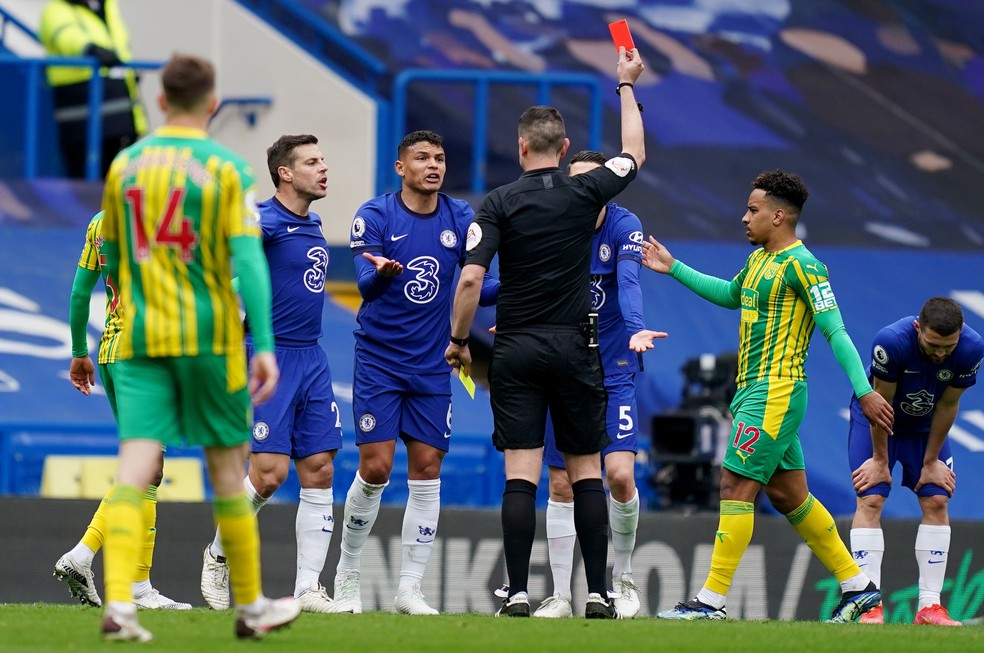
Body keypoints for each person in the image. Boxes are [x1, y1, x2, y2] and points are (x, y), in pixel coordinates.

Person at [97, 53, 299, 642]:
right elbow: (247, 260)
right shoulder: (228, 168)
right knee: (227, 468)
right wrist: (261, 342)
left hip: (137, 336)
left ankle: (119, 605)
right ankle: (252, 606)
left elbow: (111, 256)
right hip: (207, 337)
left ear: (160, 101)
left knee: (135, 465)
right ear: (212, 104)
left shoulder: (124, 166)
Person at [445, 46, 651, 619]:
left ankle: (515, 593)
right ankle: (598, 593)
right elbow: (634, 151)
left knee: (523, 474)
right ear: (563, 151)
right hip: (574, 347)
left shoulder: (498, 203)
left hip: (513, 348)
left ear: (520, 148)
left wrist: (461, 342)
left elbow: (470, 281)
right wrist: (625, 85)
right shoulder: (585, 192)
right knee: (586, 470)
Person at [641, 169, 895, 623]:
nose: (744, 218)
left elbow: (834, 330)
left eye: (753, 210)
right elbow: (731, 294)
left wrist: (865, 392)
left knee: (735, 485)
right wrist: (673, 267)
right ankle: (858, 587)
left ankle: (711, 601)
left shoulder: (805, 265)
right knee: (789, 496)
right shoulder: (759, 261)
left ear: (779, 216)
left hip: (776, 393)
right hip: (752, 393)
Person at [326, 129, 498, 616]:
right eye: (422, 157)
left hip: (432, 363)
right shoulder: (375, 215)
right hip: (380, 360)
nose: (433, 165)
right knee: (376, 468)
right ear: (400, 167)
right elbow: (364, 285)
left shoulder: (461, 217)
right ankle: (348, 576)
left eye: (440, 158)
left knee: (427, 471)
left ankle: (410, 589)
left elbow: (477, 287)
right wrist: (379, 275)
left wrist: (517, 288)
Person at [200, 134, 343, 615]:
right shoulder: (263, 221)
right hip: (269, 357)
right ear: (285, 172)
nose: (323, 168)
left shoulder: (314, 222)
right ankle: (218, 554)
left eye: (323, 160)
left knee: (321, 468)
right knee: (268, 474)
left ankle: (308, 588)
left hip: (312, 357)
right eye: (312, 162)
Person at [533, 151, 664, 619]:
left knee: (620, 475)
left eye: (596, 183)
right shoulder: (554, 222)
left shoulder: (623, 224)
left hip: (614, 366)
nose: (586, 193)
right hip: (562, 367)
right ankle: (561, 595)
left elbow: (628, 282)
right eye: (577, 183)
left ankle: (622, 577)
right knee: (562, 484)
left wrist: (636, 328)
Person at [56, 210, 191, 611]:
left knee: (147, 466)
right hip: (147, 356)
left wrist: (80, 351)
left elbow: (81, 292)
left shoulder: (101, 220)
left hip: (113, 351)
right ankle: (129, 581)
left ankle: (88, 560)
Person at [849, 297, 982, 626]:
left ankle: (929, 608)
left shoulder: (971, 348)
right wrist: (880, 460)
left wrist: (932, 460)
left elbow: (949, 404)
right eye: (933, 344)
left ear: (960, 333)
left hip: (925, 425)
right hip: (878, 419)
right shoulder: (891, 342)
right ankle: (869, 606)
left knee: (937, 498)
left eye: (947, 347)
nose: (940, 354)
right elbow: (881, 402)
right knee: (872, 497)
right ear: (918, 327)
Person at [39, 0, 147, 178]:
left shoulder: (108, 5)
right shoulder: (55, 9)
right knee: (86, 186)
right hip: (82, 115)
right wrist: (91, 49)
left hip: (121, 112)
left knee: (119, 180)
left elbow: (120, 45)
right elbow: (65, 36)